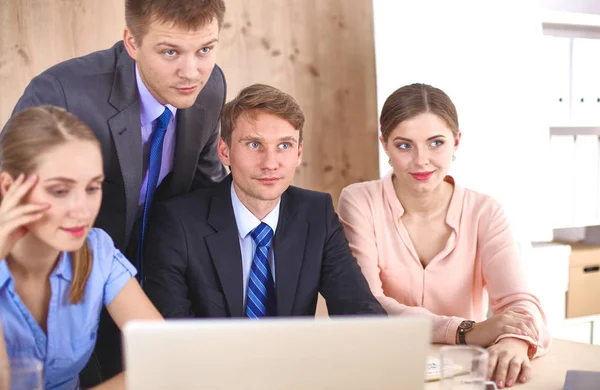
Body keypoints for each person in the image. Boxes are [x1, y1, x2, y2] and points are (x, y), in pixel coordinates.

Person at [7, 0, 227, 382]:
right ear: (131, 41)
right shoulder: (64, 93)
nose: (192, 72)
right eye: (170, 51)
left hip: (129, 280)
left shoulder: (209, 89)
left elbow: (205, 193)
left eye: (205, 49)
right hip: (65, 275)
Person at [337, 83, 551, 389]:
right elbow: (367, 305)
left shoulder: (484, 211)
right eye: (404, 145)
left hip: (462, 377)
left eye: (435, 143)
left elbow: (522, 305)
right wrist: (465, 330)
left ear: (456, 141)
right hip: (387, 371)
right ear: (385, 145)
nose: (422, 160)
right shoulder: (360, 201)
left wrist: (513, 342)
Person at [144, 84, 386, 318]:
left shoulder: (316, 215)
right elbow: (173, 333)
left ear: (298, 153)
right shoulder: (177, 223)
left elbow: (360, 310)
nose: (270, 163)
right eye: (254, 144)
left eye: (284, 145)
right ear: (224, 151)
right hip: (211, 360)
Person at [0, 106, 162, 390]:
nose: (82, 211)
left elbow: (164, 355)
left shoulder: (97, 251)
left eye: (92, 188)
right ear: (8, 187)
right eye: (60, 191)